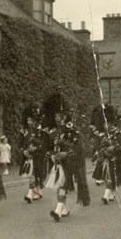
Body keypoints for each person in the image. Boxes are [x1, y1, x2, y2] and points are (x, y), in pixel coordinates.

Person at [41, 94, 90, 222]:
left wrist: (66, 154)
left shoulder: (72, 129)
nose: (57, 118)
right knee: (59, 186)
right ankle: (65, 209)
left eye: (59, 115)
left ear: (64, 115)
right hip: (56, 163)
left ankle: (58, 210)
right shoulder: (50, 130)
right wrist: (51, 155)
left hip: (68, 162)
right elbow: (46, 147)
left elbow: (78, 147)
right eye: (55, 115)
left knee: (62, 185)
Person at [91, 104, 121, 205]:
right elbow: (97, 145)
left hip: (114, 157)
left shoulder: (117, 132)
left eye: (108, 123)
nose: (107, 125)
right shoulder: (99, 133)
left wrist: (113, 147)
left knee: (111, 176)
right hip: (104, 158)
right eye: (105, 123)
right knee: (106, 177)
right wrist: (101, 150)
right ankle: (112, 191)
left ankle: (106, 195)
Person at [19, 103, 45, 203]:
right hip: (27, 156)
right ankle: (38, 192)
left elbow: (44, 143)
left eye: (31, 120)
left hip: (37, 155)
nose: (29, 122)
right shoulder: (23, 130)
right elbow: (20, 143)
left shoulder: (40, 130)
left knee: (34, 174)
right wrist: (23, 151)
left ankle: (30, 194)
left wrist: (36, 148)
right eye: (28, 119)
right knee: (33, 174)